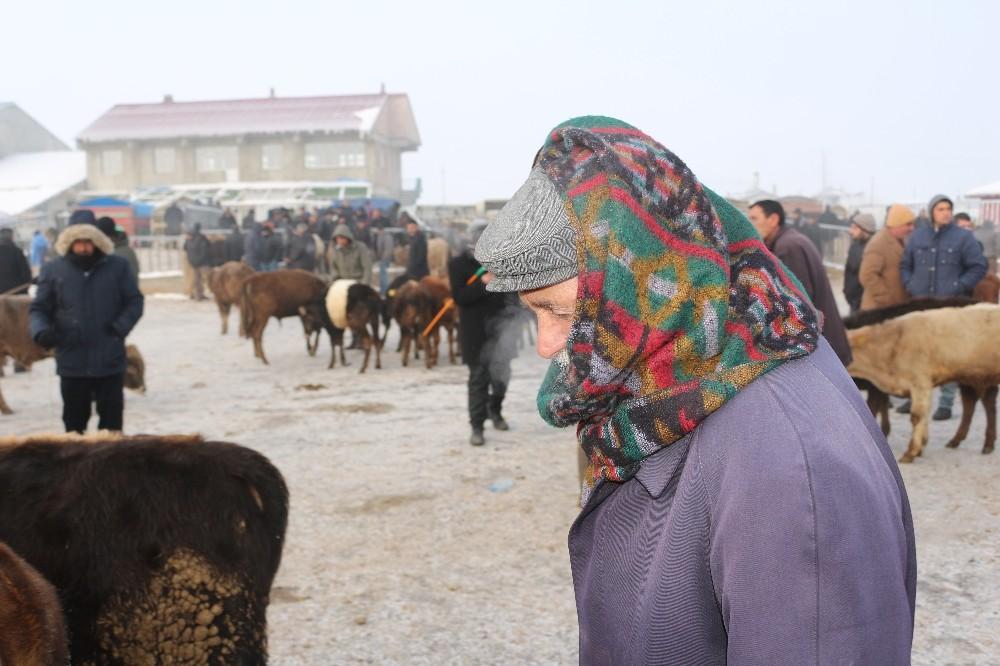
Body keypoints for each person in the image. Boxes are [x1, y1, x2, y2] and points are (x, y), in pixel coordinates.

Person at [474, 116, 915, 664]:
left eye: (560, 312)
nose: (545, 346)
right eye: (532, 312)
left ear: (641, 283)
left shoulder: (786, 465)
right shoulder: (668, 375)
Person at [29, 221, 143, 433]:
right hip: (72, 359)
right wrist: (41, 331)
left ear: (97, 243)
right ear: (69, 245)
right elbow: (39, 308)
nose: (83, 248)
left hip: (109, 357)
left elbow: (134, 301)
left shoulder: (117, 267)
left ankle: (109, 465)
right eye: (77, 243)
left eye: (87, 243)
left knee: (111, 426)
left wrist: (119, 328)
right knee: (74, 425)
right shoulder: (53, 269)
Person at [901, 194, 987, 420]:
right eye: (940, 208)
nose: (946, 212)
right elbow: (905, 265)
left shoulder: (963, 238)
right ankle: (914, 398)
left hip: (948, 307)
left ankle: (946, 403)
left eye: (948, 208)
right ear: (931, 212)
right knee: (917, 352)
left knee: (948, 355)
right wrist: (910, 283)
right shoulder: (918, 237)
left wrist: (960, 286)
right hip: (920, 306)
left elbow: (978, 266)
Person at [748, 199, 852, 365]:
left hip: (819, 348)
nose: (749, 223)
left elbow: (798, 304)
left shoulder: (788, 247)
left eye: (754, 218)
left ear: (773, 219)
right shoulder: (789, 241)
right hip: (820, 344)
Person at [449, 221, 517, 446]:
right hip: (475, 333)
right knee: (478, 379)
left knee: (501, 377)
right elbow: (460, 297)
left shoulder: (502, 262)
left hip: (502, 331)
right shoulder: (458, 264)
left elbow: (512, 295)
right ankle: (477, 426)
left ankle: (495, 410)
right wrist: (484, 283)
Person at [859, 204, 916, 311]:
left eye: (913, 224)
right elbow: (867, 275)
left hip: (896, 307)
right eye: (908, 224)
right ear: (896, 223)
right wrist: (887, 299)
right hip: (879, 310)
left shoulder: (904, 240)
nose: (912, 228)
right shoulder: (878, 243)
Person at [843, 213, 875, 313]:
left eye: (855, 228)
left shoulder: (873, 248)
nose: (850, 231)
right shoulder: (855, 244)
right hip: (853, 301)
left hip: (863, 302)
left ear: (865, 229)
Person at [183, 223, 211, 300]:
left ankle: (195, 294)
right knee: (205, 278)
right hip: (201, 262)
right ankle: (199, 295)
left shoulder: (188, 237)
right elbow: (206, 248)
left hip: (192, 262)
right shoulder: (202, 237)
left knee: (195, 279)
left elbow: (185, 248)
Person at [0, 228, 31, 295]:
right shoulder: (17, 251)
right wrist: (26, 287)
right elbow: (26, 272)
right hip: (18, 291)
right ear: (12, 236)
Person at [374, 224, 396, 294]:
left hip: (385, 259)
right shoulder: (380, 236)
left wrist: (384, 258)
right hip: (382, 259)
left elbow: (389, 249)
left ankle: (385, 290)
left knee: (384, 276)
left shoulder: (387, 237)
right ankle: (382, 290)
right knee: (382, 276)